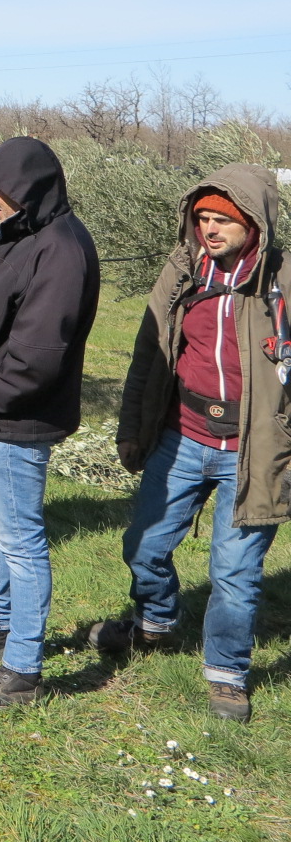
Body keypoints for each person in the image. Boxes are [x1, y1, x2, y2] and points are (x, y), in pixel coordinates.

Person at [91, 168, 288, 722]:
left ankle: (227, 673)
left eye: (223, 219)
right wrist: (133, 428)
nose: (210, 229)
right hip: (181, 436)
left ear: (254, 223)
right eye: (202, 218)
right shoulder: (184, 271)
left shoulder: (282, 282)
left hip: (253, 451)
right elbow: (148, 353)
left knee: (234, 574)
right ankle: (155, 620)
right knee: (143, 546)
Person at [0, 136, 100, 710]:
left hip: (14, 419)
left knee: (20, 542)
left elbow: (38, 354)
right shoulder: (20, 234)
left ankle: (23, 670)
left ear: (29, 189)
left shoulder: (61, 250)